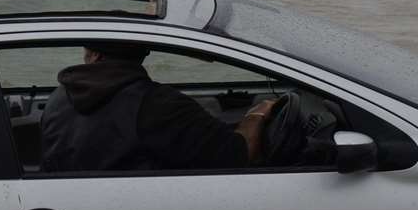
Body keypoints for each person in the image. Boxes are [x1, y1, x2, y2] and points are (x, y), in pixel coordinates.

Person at [36, 43, 279, 173]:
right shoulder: (158, 104)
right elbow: (238, 155)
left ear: (93, 55)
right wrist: (256, 115)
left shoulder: (60, 95)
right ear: (142, 54)